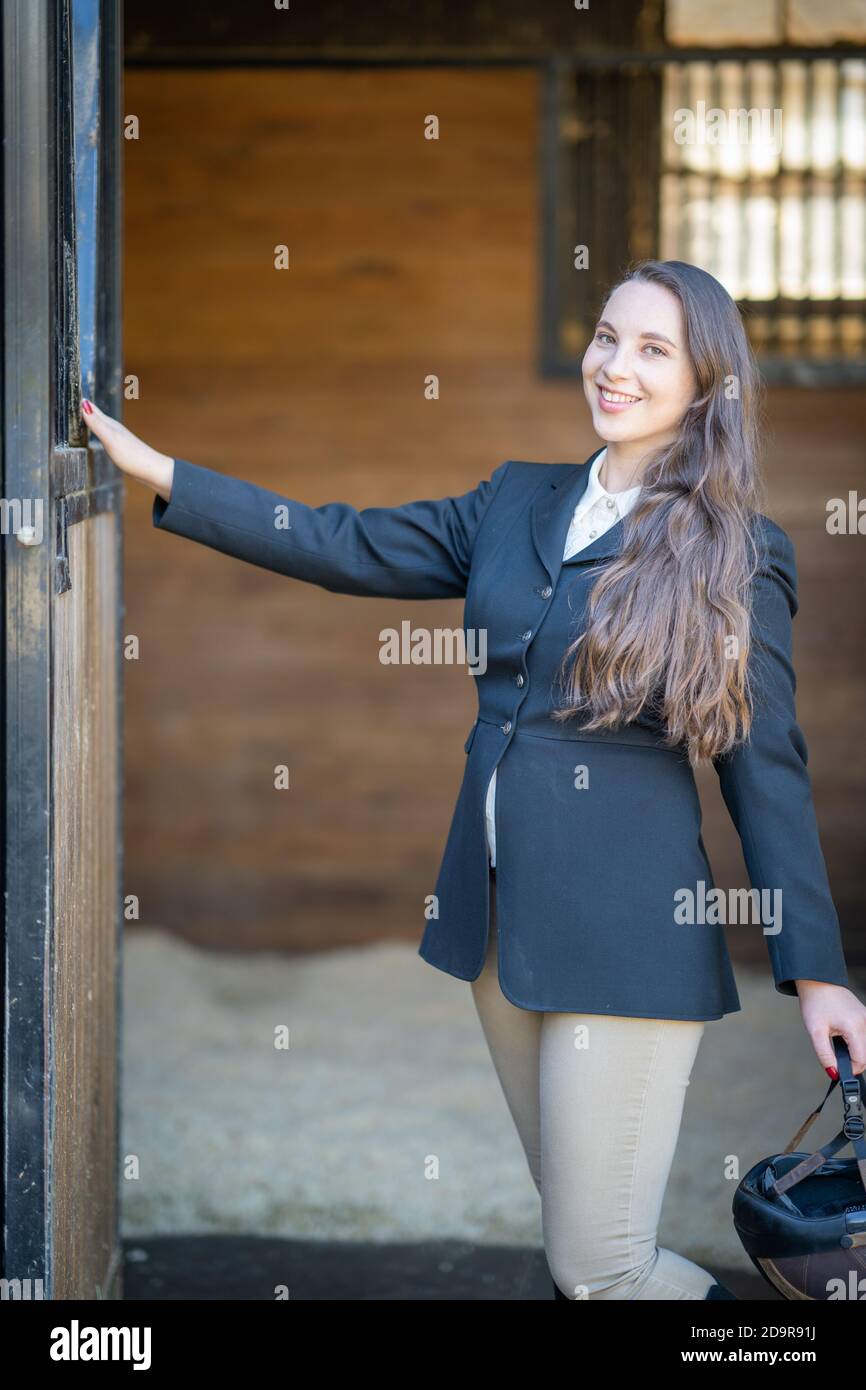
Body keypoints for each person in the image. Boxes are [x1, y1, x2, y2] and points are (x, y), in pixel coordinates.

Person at [82, 259, 866, 1300]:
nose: (613, 366)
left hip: (624, 943)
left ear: (706, 383)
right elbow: (343, 543)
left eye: (650, 349)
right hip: (502, 931)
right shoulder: (516, 500)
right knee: (580, 1253)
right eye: (604, 336)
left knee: (600, 1269)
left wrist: (813, 969)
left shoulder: (733, 552)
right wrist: (162, 470)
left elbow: (763, 767)